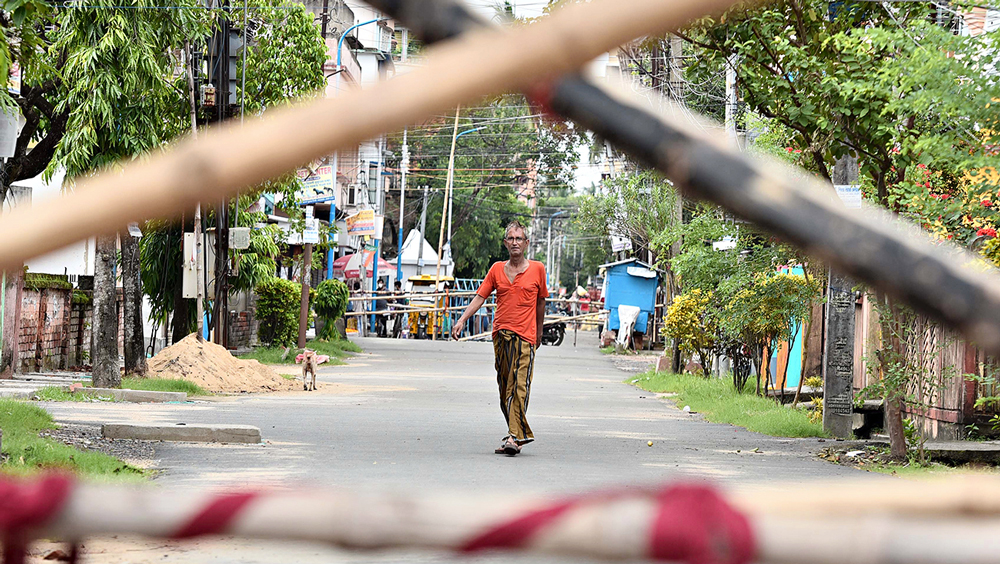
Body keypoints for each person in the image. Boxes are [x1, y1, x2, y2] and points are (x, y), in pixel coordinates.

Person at [452, 220, 548, 456]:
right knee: (505, 388)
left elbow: (541, 302)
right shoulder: (496, 269)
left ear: (526, 243)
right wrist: (462, 319)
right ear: (506, 243)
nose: (515, 243)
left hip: (525, 338)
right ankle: (513, 433)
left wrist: (539, 332)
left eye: (519, 239)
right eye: (511, 239)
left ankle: (515, 437)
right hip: (501, 337)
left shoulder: (537, 269)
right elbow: (480, 297)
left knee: (520, 387)